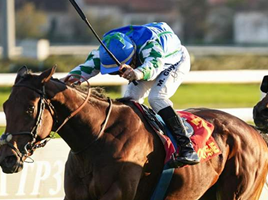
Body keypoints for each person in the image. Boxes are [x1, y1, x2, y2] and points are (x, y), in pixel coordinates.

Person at [64, 22, 200, 166]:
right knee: (129, 101)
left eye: (118, 71)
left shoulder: (149, 46)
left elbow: (153, 66)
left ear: (132, 58)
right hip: (145, 63)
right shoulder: (105, 52)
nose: (118, 75)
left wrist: (136, 73)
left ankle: (187, 147)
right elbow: (82, 71)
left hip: (173, 62)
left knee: (157, 98)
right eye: (113, 73)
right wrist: (61, 82)